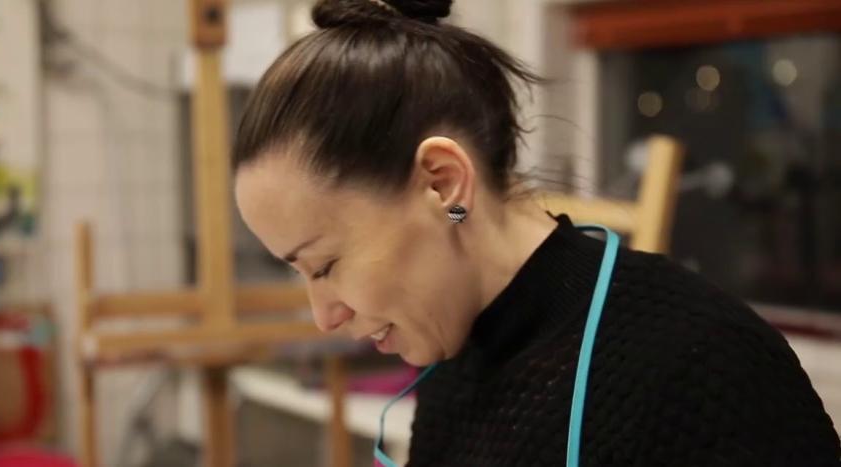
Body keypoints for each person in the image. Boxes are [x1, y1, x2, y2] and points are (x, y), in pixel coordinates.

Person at [231, 0, 841, 465]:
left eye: (325, 265)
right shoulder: (455, 361)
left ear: (443, 184)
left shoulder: (703, 368)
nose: (324, 316)